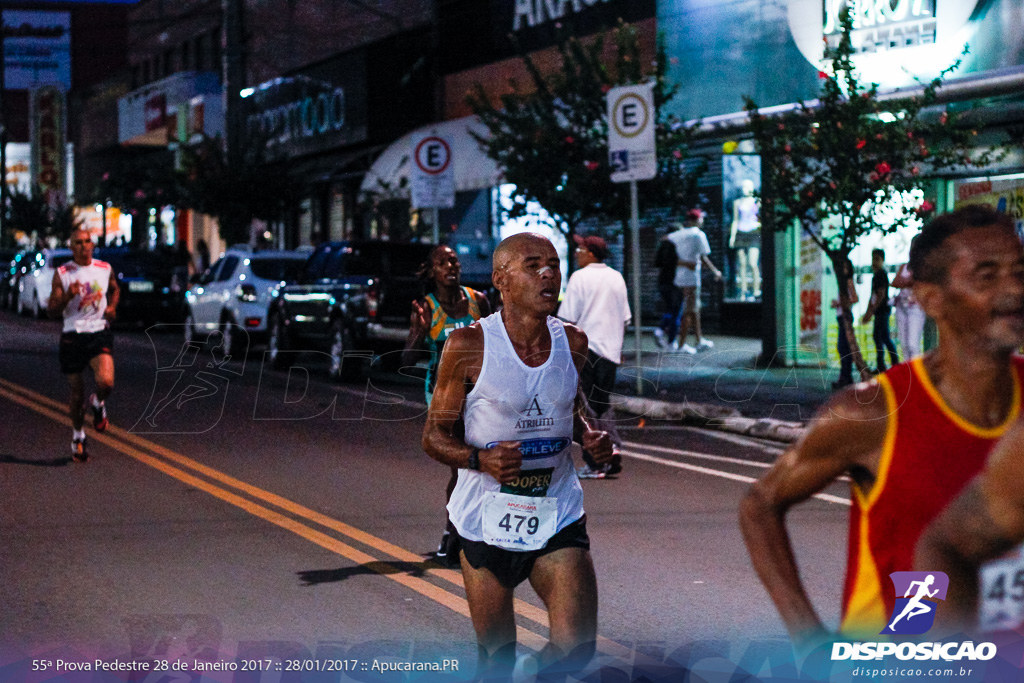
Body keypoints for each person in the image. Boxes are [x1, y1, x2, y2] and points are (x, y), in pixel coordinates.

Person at [739, 205, 1024, 649]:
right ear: (932, 299)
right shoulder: (872, 413)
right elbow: (760, 504)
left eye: (1020, 271)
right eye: (987, 276)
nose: (1015, 290)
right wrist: (808, 639)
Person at [422, 232, 613, 678]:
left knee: (576, 650)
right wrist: (479, 460)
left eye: (553, 264)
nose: (548, 273)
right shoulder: (468, 346)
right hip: (485, 519)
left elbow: (567, 403)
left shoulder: (574, 342)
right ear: (501, 280)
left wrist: (588, 437)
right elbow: (433, 436)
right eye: (532, 265)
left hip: (556, 513)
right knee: (497, 660)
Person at [402, 245, 491, 565]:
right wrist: (420, 331)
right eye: (442, 262)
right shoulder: (426, 307)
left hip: (481, 393)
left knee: (483, 462)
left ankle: (473, 531)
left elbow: (499, 340)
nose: (450, 265)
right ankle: (452, 532)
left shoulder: (479, 301)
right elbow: (407, 359)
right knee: (463, 464)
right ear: (432, 272)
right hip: (443, 394)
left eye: (453, 260)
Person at [559, 234, 629, 479]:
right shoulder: (616, 277)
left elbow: (568, 319)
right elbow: (625, 318)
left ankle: (597, 461)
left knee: (586, 407)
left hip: (587, 350)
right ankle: (613, 449)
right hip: (611, 351)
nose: (577, 253)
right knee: (601, 403)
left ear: (591, 253)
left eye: (580, 249)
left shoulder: (579, 277)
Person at [48, 229, 120, 463]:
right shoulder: (63, 274)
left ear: (93, 244)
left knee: (106, 382)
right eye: (78, 243)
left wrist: (112, 308)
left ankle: (98, 403)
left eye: (87, 241)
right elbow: (52, 310)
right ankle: (78, 435)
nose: (84, 246)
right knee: (77, 394)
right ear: (71, 247)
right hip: (72, 336)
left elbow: (115, 288)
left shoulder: (104, 268)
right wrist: (67, 297)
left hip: (98, 332)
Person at [666, 209, 722, 354]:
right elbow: (704, 257)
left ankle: (699, 340)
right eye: (701, 218)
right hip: (691, 278)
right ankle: (681, 344)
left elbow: (665, 240)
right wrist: (715, 271)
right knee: (690, 310)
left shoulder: (679, 234)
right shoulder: (698, 235)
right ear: (696, 220)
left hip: (680, 277)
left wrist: (680, 261)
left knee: (694, 308)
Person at [861, 248, 900, 372]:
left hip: (882, 310)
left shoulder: (881, 275)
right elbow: (873, 296)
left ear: (882, 260)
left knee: (880, 337)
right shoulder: (876, 276)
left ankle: (885, 365)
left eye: (877, 259)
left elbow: (880, 295)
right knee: (882, 337)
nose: (874, 262)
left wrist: (871, 311)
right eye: (873, 259)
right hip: (880, 311)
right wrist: (869, 311)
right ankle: (889, 364)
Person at [729, 179, 761, 300]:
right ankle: (743, 290)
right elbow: (735, 220)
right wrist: (732, 236)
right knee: (742, 264)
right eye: (743, 186)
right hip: (741, 232)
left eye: (747, 186)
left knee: (753, 263)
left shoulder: (757, 201)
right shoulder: (737, 202)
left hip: (753, 231)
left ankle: (756, 290)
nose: (745, 188)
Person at [892, 248, 926, 359]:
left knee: (913, 344)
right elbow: (895, 282)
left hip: (916, 308)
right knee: (904, 345)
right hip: (902, 306)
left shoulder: (924, 267)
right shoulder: (904, 266)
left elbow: (917, 281)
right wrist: (908, 281)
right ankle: (909, 373)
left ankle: (916, 372)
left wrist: (906, 281)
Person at [831, 256, 859, 389]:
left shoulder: (847, 281)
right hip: (841, 315)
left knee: (843, 347)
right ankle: (845, 376)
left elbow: (855, 297)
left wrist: (840, 303)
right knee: (842, 347)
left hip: (845, 316)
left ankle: (846, 377)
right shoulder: (842, 282)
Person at [653, 228, 681, 349]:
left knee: (670, 308)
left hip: (663, 280)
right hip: (675, 281)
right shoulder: (678, 246)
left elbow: (657, 263)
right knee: (676, 310)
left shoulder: (663, 245)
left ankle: (662, 331)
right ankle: (670, 339)